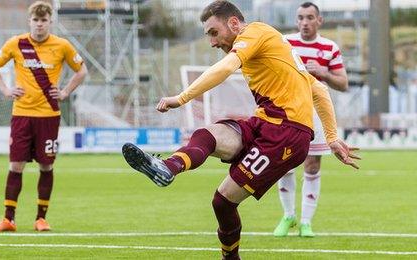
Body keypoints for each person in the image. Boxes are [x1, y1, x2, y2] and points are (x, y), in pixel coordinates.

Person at [120, 1, 359, 259]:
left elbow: (225, 68)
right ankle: (168, 167)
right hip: (263, 123)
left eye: (214, 32)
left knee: (222, 202)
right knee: (207, 135)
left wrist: (181, 98)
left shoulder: (254, 32)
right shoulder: (276, 47)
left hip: (285, 135)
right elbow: (320, 91)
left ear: (234, 24)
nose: (212, 42)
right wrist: (332, 138)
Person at [0, 1, 87, 232]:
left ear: (50, 22)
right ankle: (8, 219)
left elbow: (82, 71)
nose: (39, 25)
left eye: (44, 21)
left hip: (48, 115)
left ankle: (41, 218)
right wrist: (5, 89)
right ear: (29, 21)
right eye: (36, 20)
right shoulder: (17, 43)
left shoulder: (62, 46)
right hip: (22, 113)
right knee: (15, 165)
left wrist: (64, 92)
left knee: (46, 165)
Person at [273, 1, 350, 238]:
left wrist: (324, 73)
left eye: (309, 17)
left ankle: (306, 222)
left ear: (319, 21)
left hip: (316, 112)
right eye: (300, 18)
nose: (304, 22)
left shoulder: (329, 48)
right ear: (296, 21)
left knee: (312, 164)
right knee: (284, 163)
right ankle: (288, 216)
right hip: (288, 109)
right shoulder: (286, 43)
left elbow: (343, 84)